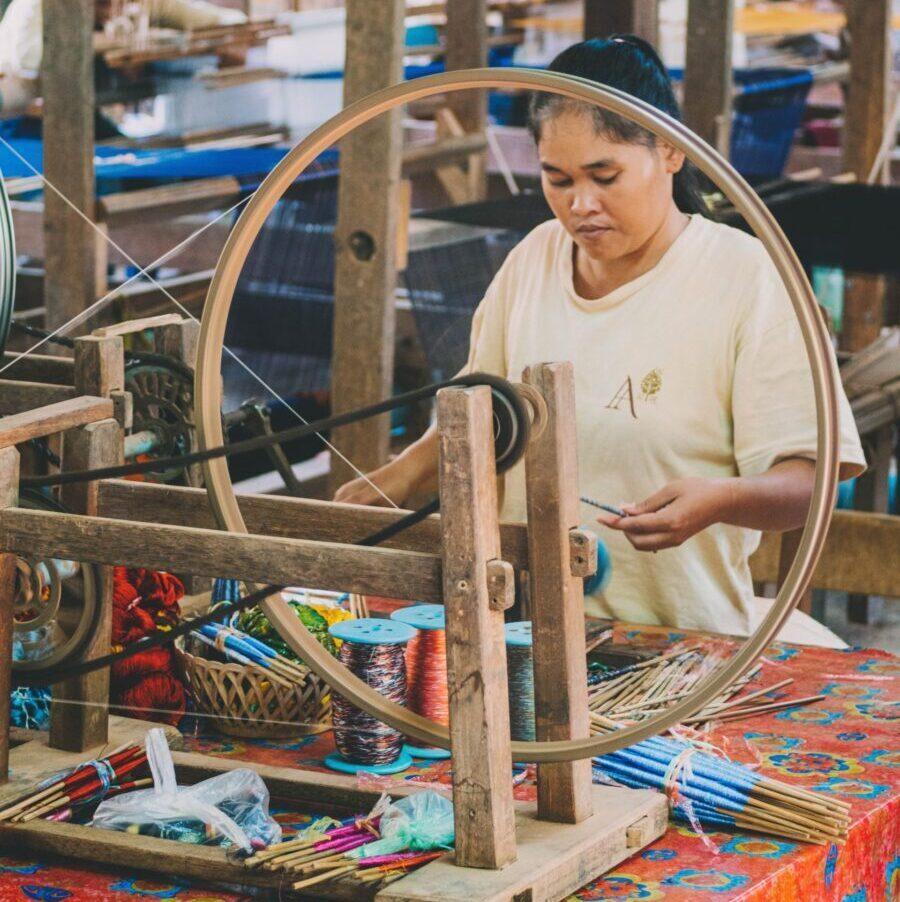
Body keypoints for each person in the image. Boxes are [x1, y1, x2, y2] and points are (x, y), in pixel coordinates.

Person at [335, 37, 865, 646]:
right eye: (556, 179)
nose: (580, 204)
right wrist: (397, 478)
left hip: (683, 649)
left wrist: (720, 500)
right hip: (526, 638)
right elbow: (482, 417)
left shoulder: (746, 277)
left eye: (604, 175)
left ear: (669, 149)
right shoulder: (532, 260)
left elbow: (809, 481)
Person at [0, 0, 246, 114]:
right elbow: (27, 60)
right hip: (21, 116)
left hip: (82, 113)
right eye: (103, 4)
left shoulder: (140, 4)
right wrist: (110, 42)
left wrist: (230, 36)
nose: (114, 10)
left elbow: (215, 18)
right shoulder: (35, 6)